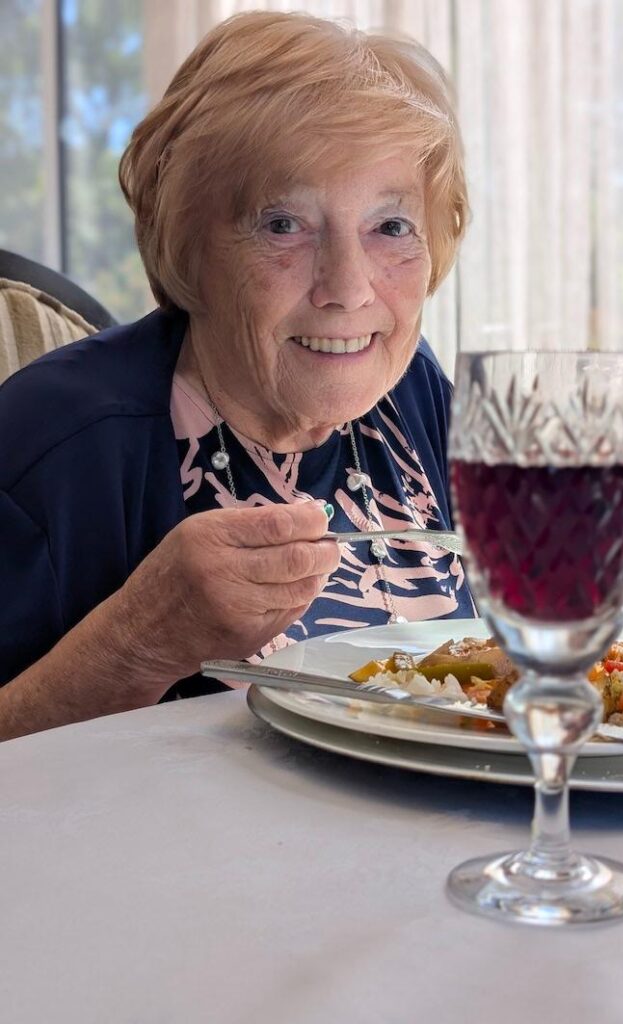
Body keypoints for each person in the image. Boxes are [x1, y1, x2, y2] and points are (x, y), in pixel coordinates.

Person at [0, 10, 475, 740]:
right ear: (190, 246)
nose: (347, 289)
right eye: (283, 224)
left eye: (390, 226)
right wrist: (137, 642)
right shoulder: (57, 444)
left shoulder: (412, 394)